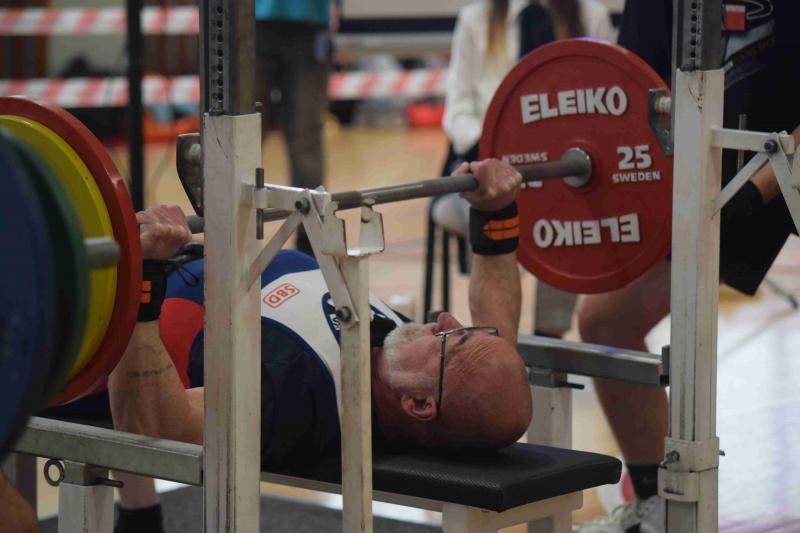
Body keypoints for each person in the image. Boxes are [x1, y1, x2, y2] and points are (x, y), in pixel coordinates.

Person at [27, 158, 530, 533]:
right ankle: (141, 516)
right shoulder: (432, 369)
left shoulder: (299, 392)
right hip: (161, 261)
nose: (444, 319)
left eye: (451, 338)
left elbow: (157, 427)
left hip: (75, 318)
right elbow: (497, 340)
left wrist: (142, 276)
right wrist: (497, 215)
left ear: (419, 404)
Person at [574, 1, 800, 531]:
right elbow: (635, 98)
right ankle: (658, 504)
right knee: (606, 321)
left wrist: (752, 192)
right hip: (713, 176)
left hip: (771, 161)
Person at [437, 0, 614, 338]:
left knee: (568, 211)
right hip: (483, 168)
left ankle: (551, 337)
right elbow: (457, 111)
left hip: (559, 175)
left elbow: (606, 102)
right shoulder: (476, 18)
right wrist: (496, 154)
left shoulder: (592, 16)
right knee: (499, 208)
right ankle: (497, 341)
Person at [255, 0, 338, 255]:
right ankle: (231, 233)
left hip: (309, 23)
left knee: (306, 135)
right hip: (249, 21)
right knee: (243, 131)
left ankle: (311, 244)